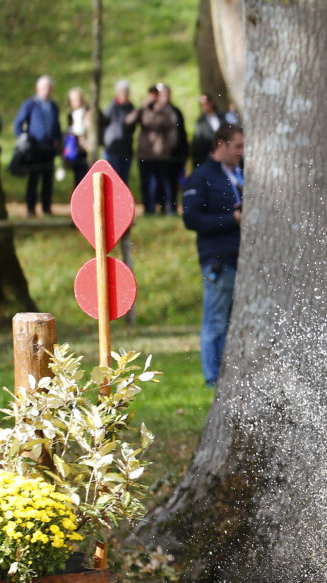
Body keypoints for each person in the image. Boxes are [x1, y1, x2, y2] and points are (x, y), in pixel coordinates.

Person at [182, 124, 244, 388]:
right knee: (215, 322)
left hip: (240, 260)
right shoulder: (201, 177)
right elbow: (191, 219)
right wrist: (232, 219)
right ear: (221, 144)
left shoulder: (240, 173)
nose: (242, 152)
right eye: (237, 146)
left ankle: (227, 377)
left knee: (232, 323)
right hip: (218, 260)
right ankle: (212, 380)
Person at [13, 75, 63, 217]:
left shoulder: (53, 106)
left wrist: (57, 140)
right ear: (38, 88)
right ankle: (31, 209)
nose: (47, 90)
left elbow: (57, 126)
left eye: (49, 88)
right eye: (44, 87)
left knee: (48, 180)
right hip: (34, 149)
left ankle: (47, 208)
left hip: (49, 150)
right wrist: (24, 139)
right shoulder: (31, 104)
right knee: (33, 179)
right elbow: (18, 124)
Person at [132, 85, 179, 215]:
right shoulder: (144, 110)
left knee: (161, 182)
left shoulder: (165, 111)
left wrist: (161, 112)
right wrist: (142, 107)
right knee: (146, 183)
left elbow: (171, 126)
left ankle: (163, 208)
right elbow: (129, 121)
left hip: (161, 154)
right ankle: (149, 209)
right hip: (144, 153)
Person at [101, 80, 136, 183]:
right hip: (113, 150)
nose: (125, 95)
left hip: (126, 150)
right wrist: (127, 121)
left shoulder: (131, 108)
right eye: (122, 92)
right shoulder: (111, 108)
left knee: (123, 181)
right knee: (113, 180)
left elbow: (131, 129)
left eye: (126, 92)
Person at [162, 85, 190, 214]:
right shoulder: (156, 111)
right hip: (161, 155)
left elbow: (182, 132)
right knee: (163, 182)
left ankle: (172, 207)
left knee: (174, 182)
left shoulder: (176, 111)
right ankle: (163, 207)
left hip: (176, 154)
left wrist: (184, 151)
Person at [63, 87, 92, 188]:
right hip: (75, 149)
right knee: (77, 178)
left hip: (86, 149)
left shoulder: (88, 112)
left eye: (77, 99)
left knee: (86, 176)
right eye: (73, 100)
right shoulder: (70, 115)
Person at [191, 94, 227, 169]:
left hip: (224, 153)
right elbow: (198, 142)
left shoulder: (222, 116)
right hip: (209, 156)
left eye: (206, 103)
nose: (204, 106)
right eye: (201, 104)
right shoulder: (200, 121)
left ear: (211, 102)